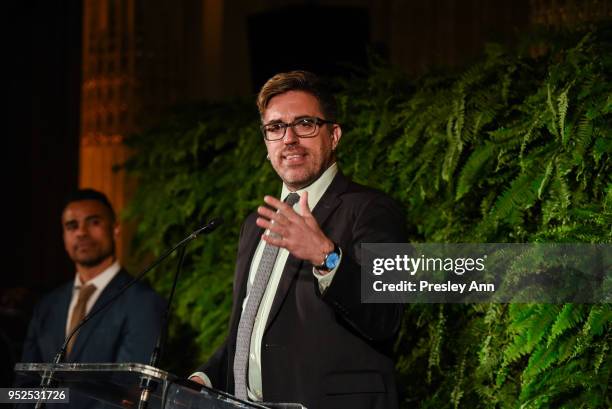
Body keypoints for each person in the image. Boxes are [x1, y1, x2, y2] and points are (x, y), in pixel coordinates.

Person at [191, 71, 406, 409]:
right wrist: (205, 378)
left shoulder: (372, 209)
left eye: (304, 124)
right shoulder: (256, 224)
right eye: (275, 128)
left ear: (333, 135)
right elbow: (250, 328)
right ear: (266, 143)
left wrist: (326, 255)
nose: (288, 138)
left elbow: (386, 317)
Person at [19, 189, 165, 407]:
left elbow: (128, 394)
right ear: (64, 237)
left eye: (93, 222)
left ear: (115, 229)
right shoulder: (47, 305)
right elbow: (21, 389)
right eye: (72, 226)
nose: (81, 233)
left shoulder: (143, 303)